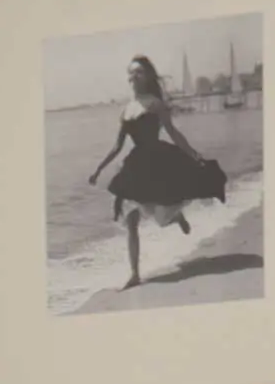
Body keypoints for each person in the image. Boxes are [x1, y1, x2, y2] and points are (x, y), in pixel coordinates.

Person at [88, 56, 226, 290]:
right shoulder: (126, 109)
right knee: (131, 221)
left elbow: (173, 133)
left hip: (157, 163)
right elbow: (117, 146)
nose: (134, 77)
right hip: (134, 166)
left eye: (139, 72)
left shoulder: (156, 104)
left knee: (161, 219)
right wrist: (99, 169)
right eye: (131, 73)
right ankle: (134, 274)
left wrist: (194, 154)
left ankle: (176, 217)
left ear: (149, 76)